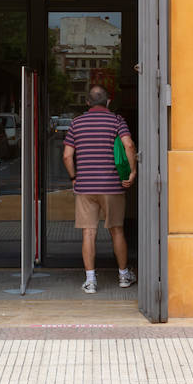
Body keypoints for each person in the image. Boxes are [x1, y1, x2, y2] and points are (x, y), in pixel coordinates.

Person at [62, 84, 138, 294]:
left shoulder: (76, 123)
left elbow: (67, 156)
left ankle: (91, 281)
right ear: (108, 101)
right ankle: (123, 276)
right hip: (112, 186)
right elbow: (129, 145)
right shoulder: (116, 120)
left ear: (87, 103)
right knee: (117, 230)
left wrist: (74, 177)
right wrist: (131, 172)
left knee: (89, 232)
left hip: (85, 186)